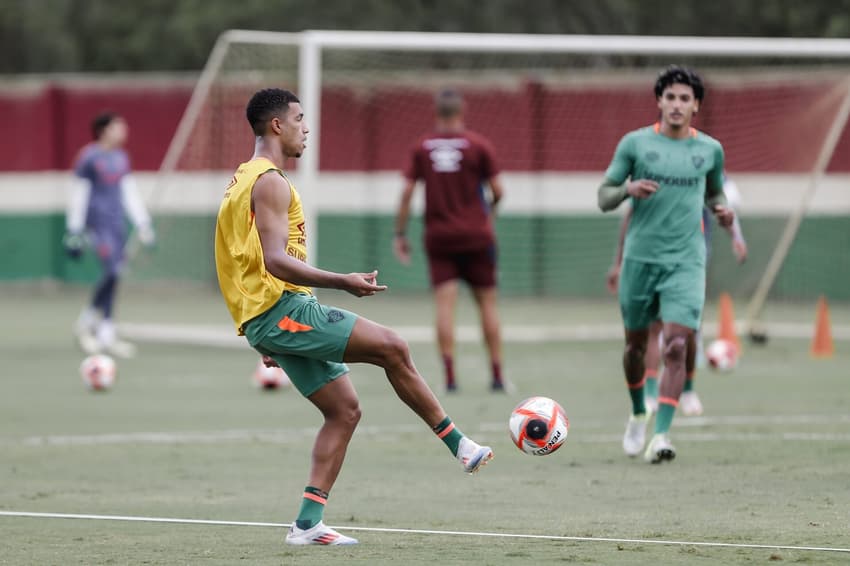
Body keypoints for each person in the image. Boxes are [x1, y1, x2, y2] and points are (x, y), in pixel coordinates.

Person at [214, 88, 493, 546]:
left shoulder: (244, 177)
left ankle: (306, 525)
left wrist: (259, 335)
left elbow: (235, 261)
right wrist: (342, 281)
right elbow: (273, 260)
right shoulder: (269, 181)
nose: (307, 128)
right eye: (300, 118)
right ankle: (460, 444)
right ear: (276, 125)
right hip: (282, 309)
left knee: (344, 411)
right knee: (393, 346)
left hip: (268, 316)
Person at [597, 66, 735, 463]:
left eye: (684, 98)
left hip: (686, 262)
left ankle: (661, 435)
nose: (677, 105)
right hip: (641, 261)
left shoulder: (710, 150)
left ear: (697, 106)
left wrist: (722, 212)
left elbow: (715, 195)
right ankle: (639, 410)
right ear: (659, 101)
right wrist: (627, 189)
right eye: (670, 97)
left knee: (677, 343)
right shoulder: (635, 145)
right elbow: (603, 197)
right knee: (635, 347)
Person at [394, 89, 507, 392]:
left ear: (436, 113)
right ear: (462, 111)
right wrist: (488, 217)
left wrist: (400, 233)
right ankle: (496, 376)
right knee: (488, 304)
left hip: (439, 237)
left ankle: (449, 378)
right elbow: (499, 191)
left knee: (445, 305)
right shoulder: (479, 145)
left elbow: (406, 192)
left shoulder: (422, 147)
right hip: (477, 236)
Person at [606, 174, 748, 416]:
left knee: (689, 329)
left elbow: (724, 204)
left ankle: (689, 390)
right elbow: (629, 213)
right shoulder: (650, 168)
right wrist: (619, 261)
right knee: (653, 327)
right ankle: (651, 393)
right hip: (653, 257)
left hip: (691, 261)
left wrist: (737, 237)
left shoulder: (702, 165)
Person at [64, 111, 155, 358]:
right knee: (112, 271)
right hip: (97, 226)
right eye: (118, 127)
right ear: (104, 130)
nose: (124, 132)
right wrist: (74, 229)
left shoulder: (121, 157)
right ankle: (89, 325)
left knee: (115, 276)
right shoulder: (89, 157)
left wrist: (143, 224)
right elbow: (80, 193)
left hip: (117, 227)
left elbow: (129, 193)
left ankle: (104, 332)